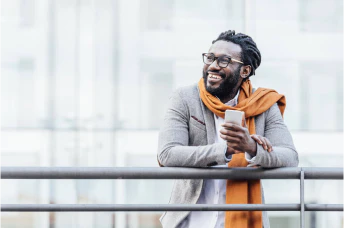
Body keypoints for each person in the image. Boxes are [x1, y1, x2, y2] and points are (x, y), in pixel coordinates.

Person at [157, 30, 298, 228]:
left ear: (245, 71)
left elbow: (290, 156)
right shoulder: (184, 98)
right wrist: (225, 150)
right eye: (210, 58)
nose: (213, 66)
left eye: (224, 60)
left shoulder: (264, 104)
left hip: (245, 220)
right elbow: (167, 153)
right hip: (190, 221)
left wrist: (251, 147)